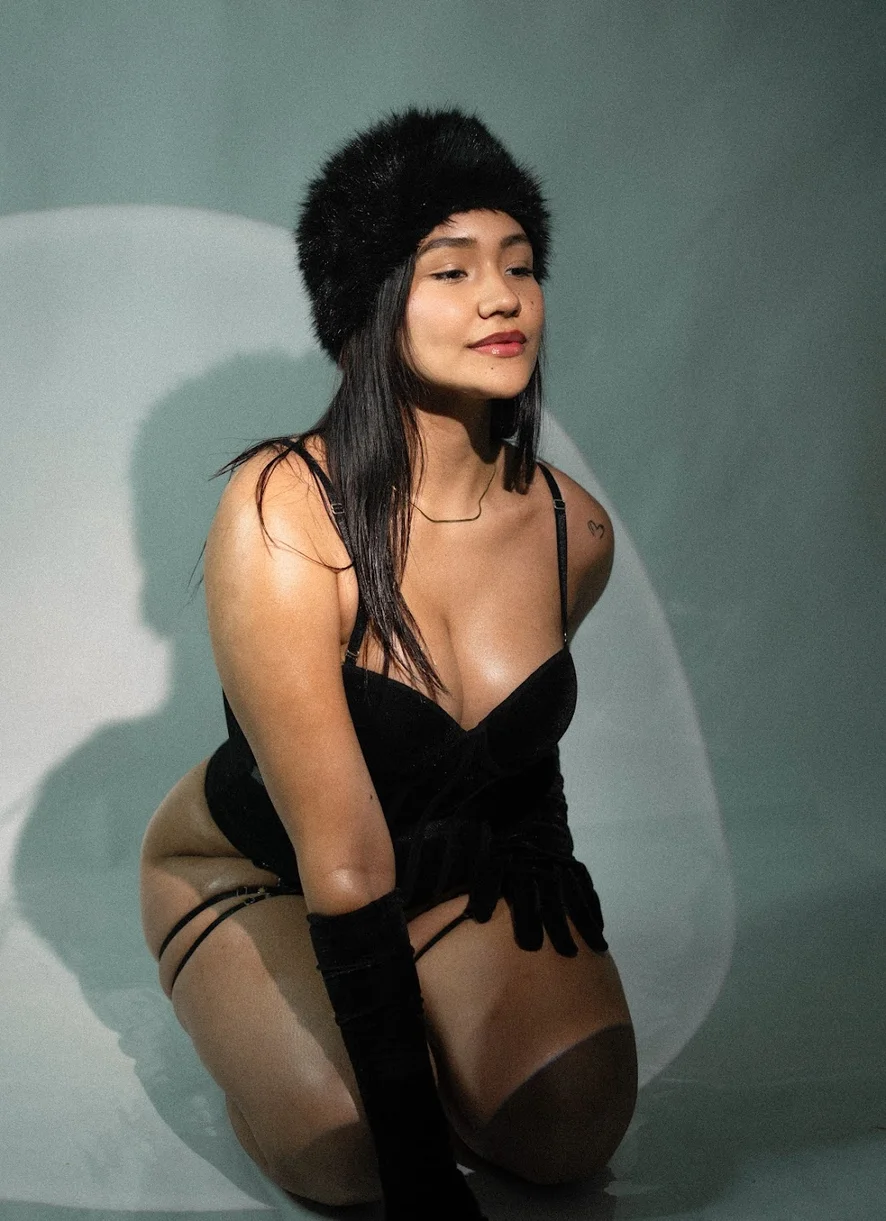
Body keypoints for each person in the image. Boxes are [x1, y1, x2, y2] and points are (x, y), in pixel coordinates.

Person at [139, 107, 637, 1218]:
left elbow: (511, 738)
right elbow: (344, 858)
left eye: (519, 264)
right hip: (260, 864)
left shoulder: (574, 532)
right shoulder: (284, 512)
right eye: (451, 270)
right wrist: (423, 1185)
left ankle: (417, 1021)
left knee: (572, 1125)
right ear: (367, 306)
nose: (502, 298)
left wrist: (537, 848)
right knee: (345, 1153)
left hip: (431, 858)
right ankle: (277, 1042)